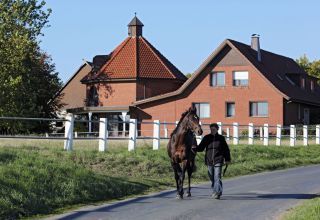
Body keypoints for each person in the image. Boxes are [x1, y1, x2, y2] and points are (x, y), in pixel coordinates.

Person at [192, 123, 231, 199]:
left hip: (218, 159)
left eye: (214, 129)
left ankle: (217, 192)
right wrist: (194, 148)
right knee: (211, 176)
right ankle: (215, 189)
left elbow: (226, 149)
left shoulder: (221, 138)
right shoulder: (207, 138)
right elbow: (201, 148)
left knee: (217, 176)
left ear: (217, 129)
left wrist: (227, 159)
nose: (212, 130)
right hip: (209, 160)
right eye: (211, 129)